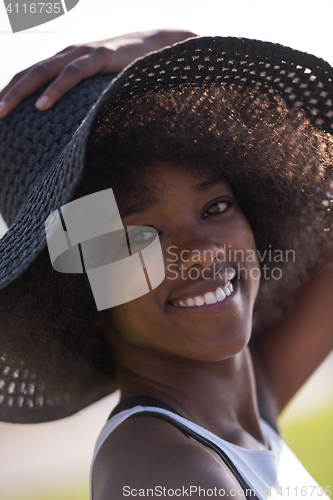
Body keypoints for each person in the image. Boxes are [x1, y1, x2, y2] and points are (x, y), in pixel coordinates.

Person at [0, 30, 332, 500]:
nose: (201, 251)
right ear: (80, 287)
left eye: (215, 208)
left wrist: (174, 48)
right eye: (138, 237)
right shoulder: (169, 476)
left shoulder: (247, 414)